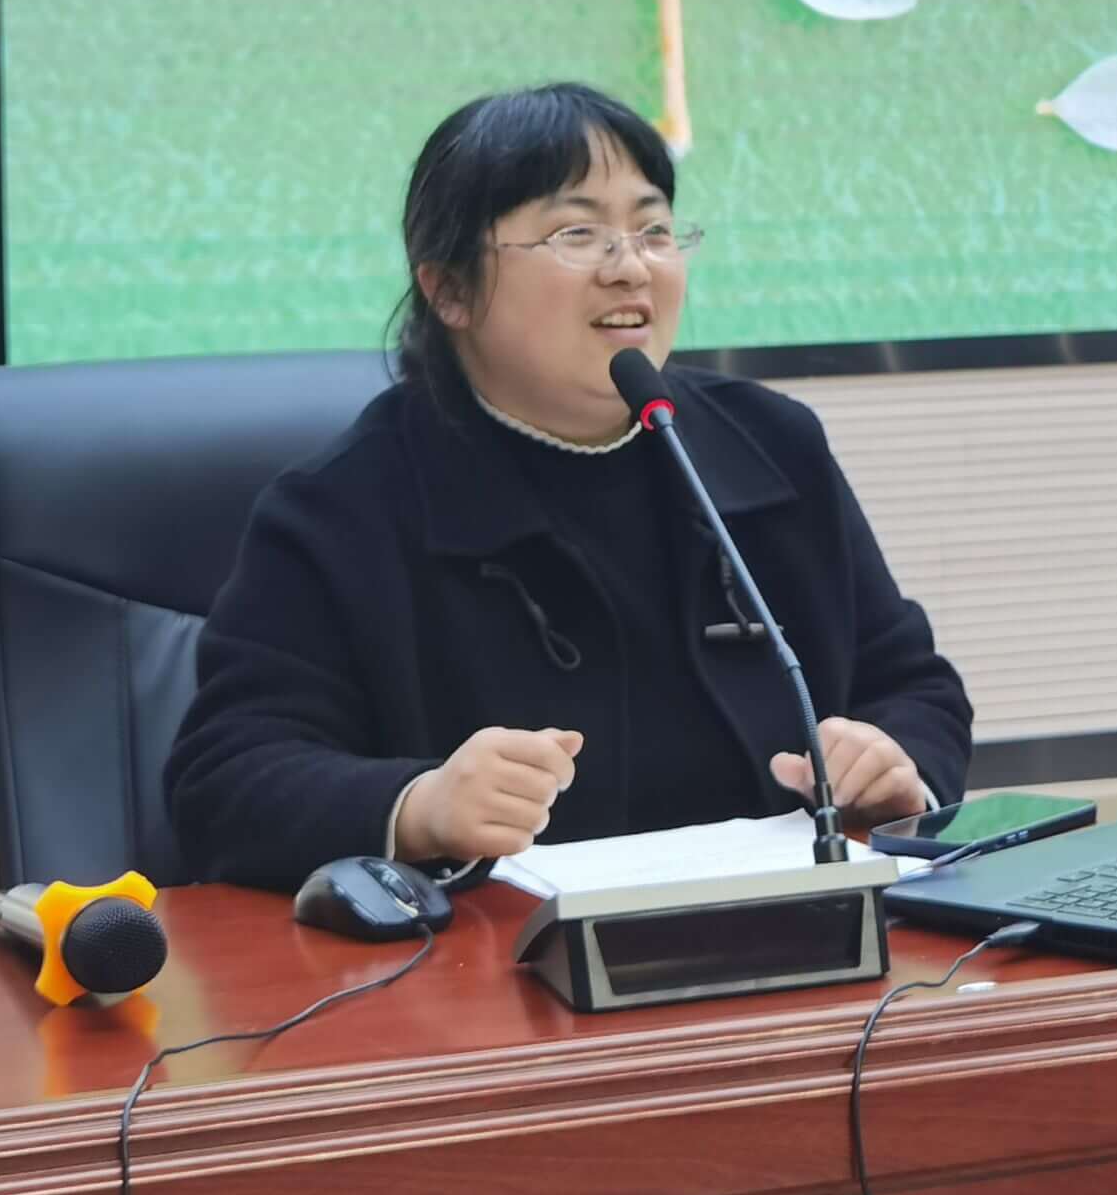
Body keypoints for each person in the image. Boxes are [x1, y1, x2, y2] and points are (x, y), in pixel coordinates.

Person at [167, 81, 973, 889]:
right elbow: (225, 781)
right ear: (450, 289)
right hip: (496, 952)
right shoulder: (342, 509)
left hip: (790, 925)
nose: (631, 268)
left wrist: (895, 762)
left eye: (654, 230)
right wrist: (418, 807)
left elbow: (911, 685)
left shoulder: (771, 447)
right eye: (577, 233)